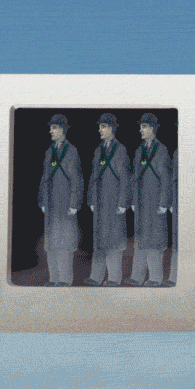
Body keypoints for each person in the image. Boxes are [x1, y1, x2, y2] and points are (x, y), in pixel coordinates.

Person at [84, 113, 131, 286]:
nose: (100, 130)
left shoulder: (120, 150)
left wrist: (122, 202)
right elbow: (93, 176)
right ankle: (96, 277)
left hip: (113, 201)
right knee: (99, 240)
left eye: (103, 127)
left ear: (111, 128)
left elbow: (125, 178)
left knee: (114, 240)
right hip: (99, 201)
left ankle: (113, 278)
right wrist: (90, 198)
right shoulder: (98, 150)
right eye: (100, 127)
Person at [125, 113, 171, 287]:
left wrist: (164, 202)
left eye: (144, 127)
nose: (141, 130)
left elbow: (165, 178)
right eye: (141, 127)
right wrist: (132, 199)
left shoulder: (161, 150)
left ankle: (155, 278)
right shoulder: (140, 150)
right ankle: (137, 277)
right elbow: (135, 177)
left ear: (152, 128)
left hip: (155, 201)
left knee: (154, 240)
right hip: (141, 202)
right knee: (140, 239)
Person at [38, 114, 84, 286]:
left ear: (63, 130)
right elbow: (45, 178)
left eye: (54, 128)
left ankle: (65, 279)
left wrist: (74, 203)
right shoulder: (49, 151)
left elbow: (77, 179)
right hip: (51, 203)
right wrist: (42, 200)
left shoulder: (71, 151)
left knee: (64, 241)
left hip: (65, 203)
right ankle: (53, 279)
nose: (51, 131)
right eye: (51, 128)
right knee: (51, 242)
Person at [164, 147, 178, 286]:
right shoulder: (177, 152)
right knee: (177, 242)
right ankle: (173, 277)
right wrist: (170, 202)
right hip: (177, 200)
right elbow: (172, 179)